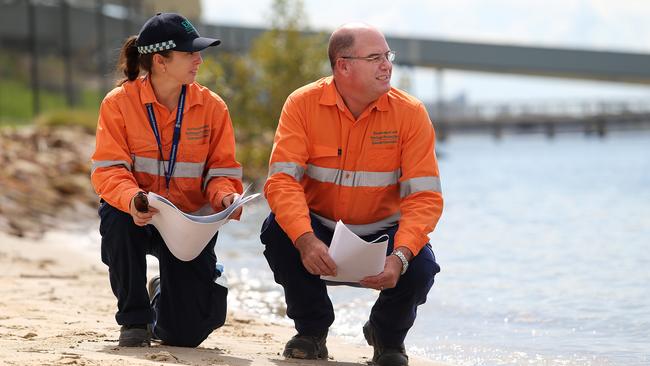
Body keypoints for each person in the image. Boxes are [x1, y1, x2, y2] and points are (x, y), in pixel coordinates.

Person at [260, 23, 443, 366]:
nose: (387, 65)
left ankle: (386, 337)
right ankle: (311, 332)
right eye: (375, 57)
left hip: (383, 233)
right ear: (343, 65)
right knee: (277, 231)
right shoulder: (302, 105)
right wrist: (305, 239)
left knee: (422, 267)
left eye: (387, 56)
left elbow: (424, 198)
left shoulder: (411, 114)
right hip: (320, 229)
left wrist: (400, 256)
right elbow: (282, 181)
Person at [90, 13, 243, 348]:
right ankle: (134, 319)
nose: (199, 60)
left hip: (188, 226)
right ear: (160, 61)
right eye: (190, 53)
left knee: (184, 335)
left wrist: (226, 198)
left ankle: (162, 291)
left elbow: (222, 172)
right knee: (116, 216)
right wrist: (133, 200)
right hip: (138, 216)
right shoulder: (119, 104)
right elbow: (108, 170)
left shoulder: (213, 107)